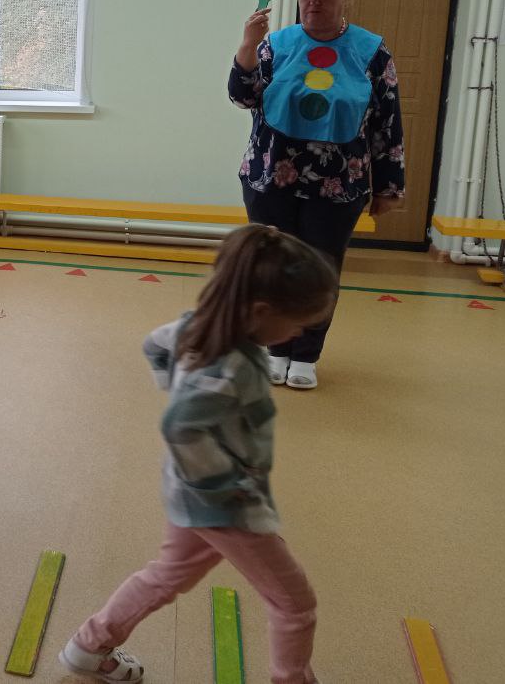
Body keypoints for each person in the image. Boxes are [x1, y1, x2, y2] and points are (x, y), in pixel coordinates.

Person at [59, 225, 338, 684]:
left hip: (188, 494)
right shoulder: (229, 367)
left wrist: (173, 384)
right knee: (295, 605)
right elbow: (180, 426)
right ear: (261, 311)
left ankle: (89, 647)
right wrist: (224, 486)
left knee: (168, 574)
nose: (298, 333)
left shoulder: (195, 325)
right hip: (226, 507)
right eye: (298, 324)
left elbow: (154, 344)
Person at [230, 0, 405, 390]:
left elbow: (387, 123)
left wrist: (388, 186)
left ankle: (306, 355)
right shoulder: (276, 44)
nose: (314, 2)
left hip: (338, 184)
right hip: (271, 176)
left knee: (320, 270)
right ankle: (276, 349)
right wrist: (248, 45)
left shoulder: (371, 51)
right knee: (271, 266)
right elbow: (243, 97)